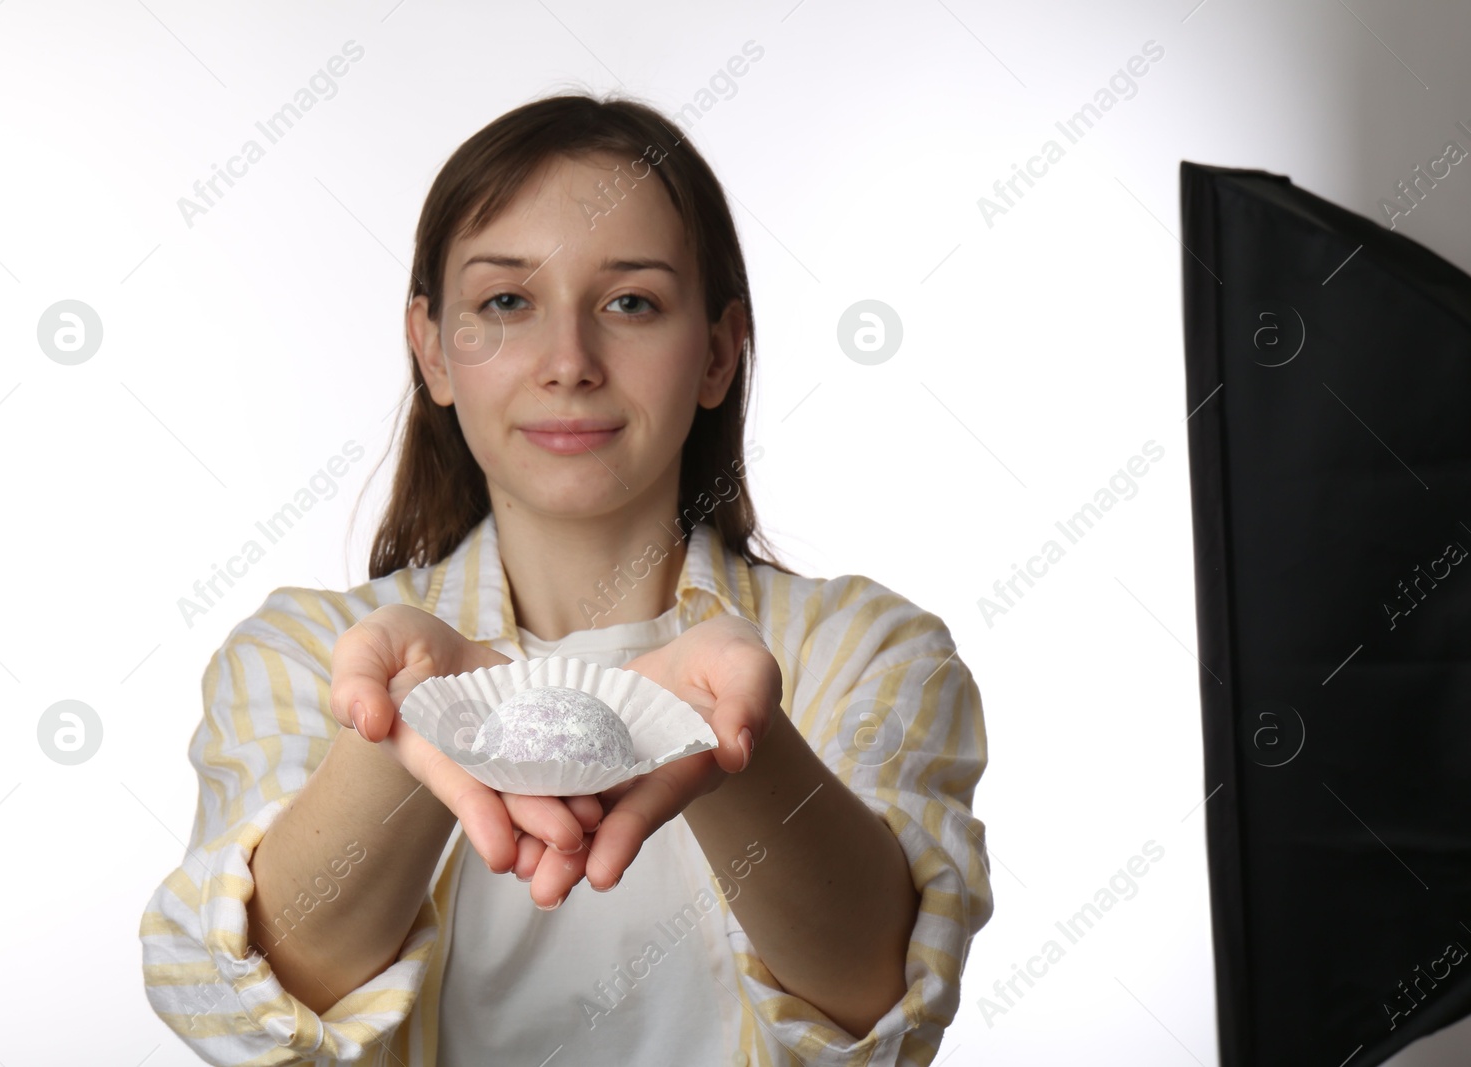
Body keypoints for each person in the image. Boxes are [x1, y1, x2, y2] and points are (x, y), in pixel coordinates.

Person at [139, 90, 992, 1067]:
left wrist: (735, 746)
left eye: (630, 302)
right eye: (506, 302)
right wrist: (408, 718)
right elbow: (253, 1009)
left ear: (716, 351)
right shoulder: (301, 657)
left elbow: (880, 1002)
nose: (568, 361)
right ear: (432, 349)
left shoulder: (866, 650)